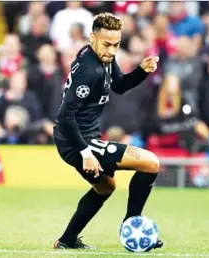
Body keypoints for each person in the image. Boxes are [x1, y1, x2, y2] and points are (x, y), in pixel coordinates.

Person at [53, 12, 163, 249]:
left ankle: (67, 240)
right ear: (92, 38)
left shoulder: (101, 56)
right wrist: (85, 153)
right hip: (76, 140)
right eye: (107, 44)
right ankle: (131, 227)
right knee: (151, 162)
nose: (112, 51)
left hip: (83, 137)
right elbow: (65, 116)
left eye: (116, 44)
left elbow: (120, 86)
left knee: (105, 187)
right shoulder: (88, 70)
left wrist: (141, 71)